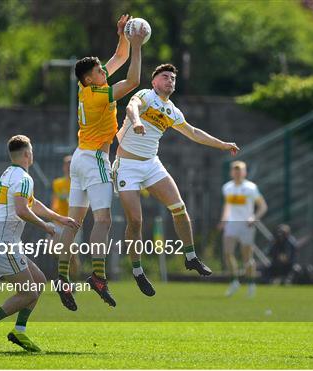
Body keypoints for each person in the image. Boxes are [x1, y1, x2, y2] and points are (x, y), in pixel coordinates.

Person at [114, 63, 239, 296]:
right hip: (127, 166)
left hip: (151, 164)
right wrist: (138, 121)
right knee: (135, 222)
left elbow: (193, 132)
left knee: (179, 208)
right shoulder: (145, 95)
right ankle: (138, 271)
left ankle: (190, 257)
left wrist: (222, 144)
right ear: (154, 82)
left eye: (172, 78)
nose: (170, 80)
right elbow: (132, 106)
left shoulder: (172, 110)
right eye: (165, 77)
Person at [54, 15, 148, 311]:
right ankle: (98, 276)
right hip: (95, 157)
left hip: (80, 157)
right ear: (89, 79)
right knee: (104, 220)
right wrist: (138, 45)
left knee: (73, 222)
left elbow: (120, 57)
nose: (102, 72)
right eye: (98, 71)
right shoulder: (98, 95)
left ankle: (61, 277)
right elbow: (133, 81)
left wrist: (122, 36)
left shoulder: (88, 87)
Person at [0, 135, 79, 353]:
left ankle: (19, 331)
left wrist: (58, 218)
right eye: (32, 151)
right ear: (28, 154)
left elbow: (32, 203)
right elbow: (22, 210)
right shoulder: (23, 178)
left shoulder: (10, 173)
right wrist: (47, 227)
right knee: (29, 293)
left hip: (5, 241)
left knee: (38, 282)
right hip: (3, 244)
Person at [218, 161, 267, 297]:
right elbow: (227, 205)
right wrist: (224, 220)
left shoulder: (251, 188)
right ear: (231, 172)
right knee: (227, 253)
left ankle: (251, 284)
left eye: (240, 170)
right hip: (232, 224)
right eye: (235, 170)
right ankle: (234, 282)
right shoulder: (227, 187)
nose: (237, 172)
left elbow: (263, 206)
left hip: (246, 225)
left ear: (245, 172)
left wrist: (254, 217)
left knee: (247, 257)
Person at [50, 155, 81, 281]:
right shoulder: (58, 183)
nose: (68, 166)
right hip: (58, 222)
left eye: (71, 164)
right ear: (64, 167)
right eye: (66, 164)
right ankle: (66, 277)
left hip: (72, 223)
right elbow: (54, 201)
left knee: (72, 256)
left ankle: (73, 280)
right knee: (53, 249)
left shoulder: (79, 183)